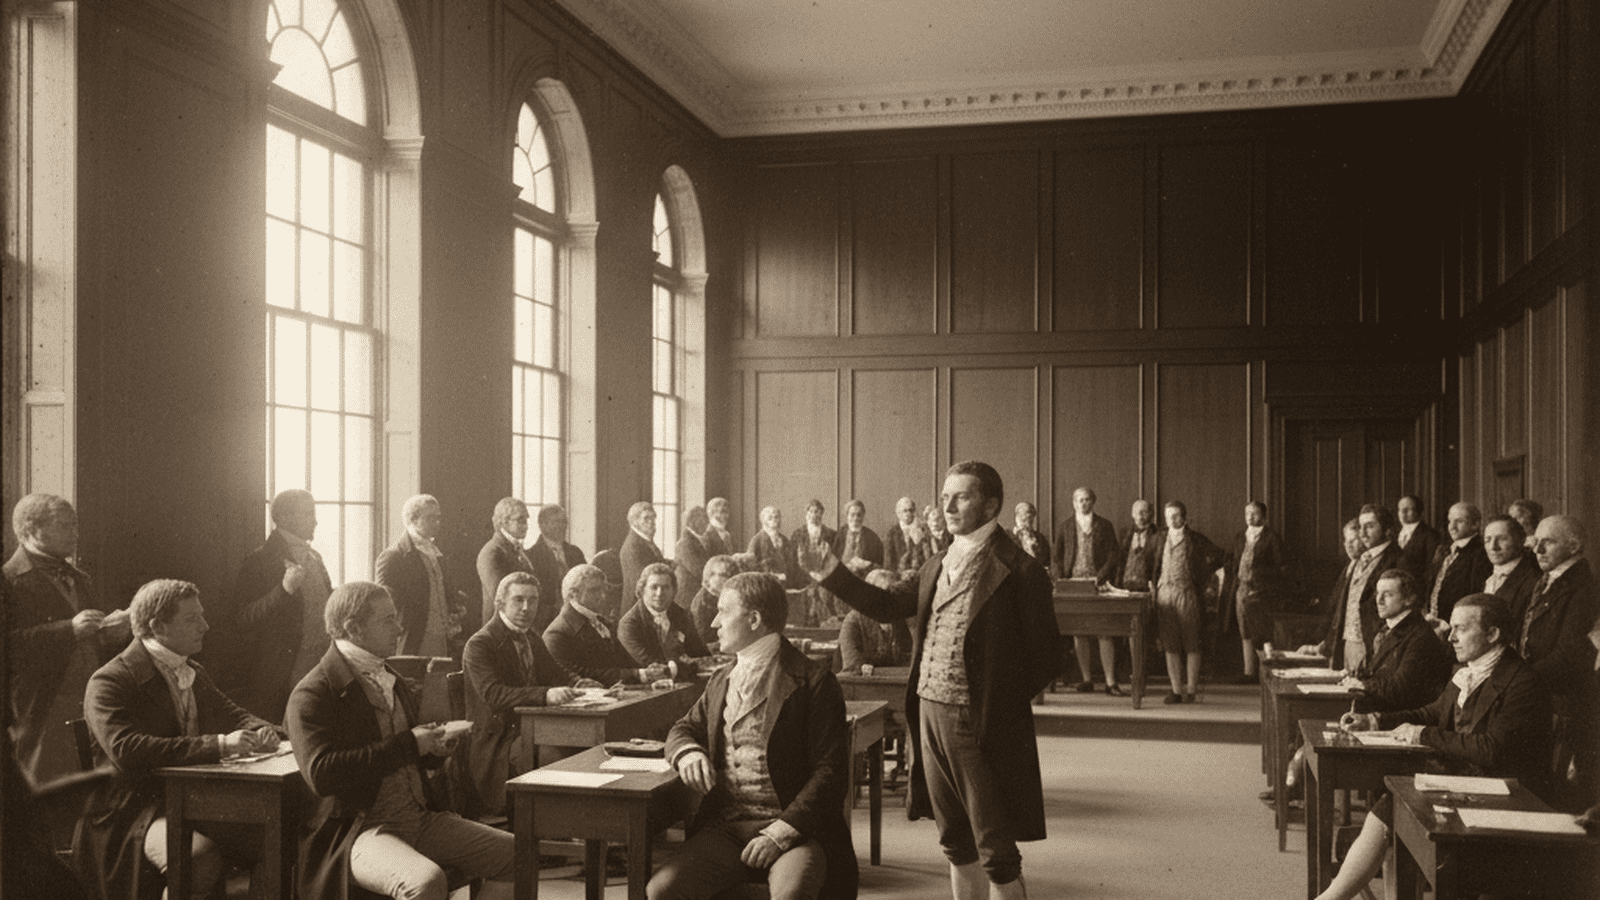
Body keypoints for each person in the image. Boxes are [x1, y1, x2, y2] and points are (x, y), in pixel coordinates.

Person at [800, 461, 1060, 900]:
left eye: (962, 496)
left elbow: (1049, 658)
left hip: (981, 721)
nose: (948, 504)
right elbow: (883, 606)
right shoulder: (937, 563)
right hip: (927, 711)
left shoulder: (1021, 570)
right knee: (956, 842)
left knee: (996, 849)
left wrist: (995, 700)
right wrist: (832, 574)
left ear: (991, 504)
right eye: (944, 496)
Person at [286, 582, 517, 900]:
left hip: (417, 818)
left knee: (515, 854)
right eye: (388, 620)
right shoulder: (313, 693)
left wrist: (433, 752)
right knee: (424, 882)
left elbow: (405, 756)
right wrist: (411, 744)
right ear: (354, 628)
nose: (399, 627)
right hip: (358, 831)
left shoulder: (388, 677)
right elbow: (322, 775)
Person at [1314, 594, 1551, 900]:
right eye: (1451, 628)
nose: (1450, 637)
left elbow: (1492, 749)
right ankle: (1332, 897)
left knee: (1399, 806)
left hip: (1505, 795)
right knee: (1391, 804)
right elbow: (1432, 713)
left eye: (1461, 629)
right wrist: (1375, 720)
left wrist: (1424, 735)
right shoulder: (1468, 672)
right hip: (1469, 781)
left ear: (1493, 634)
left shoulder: (1521, 681)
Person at [647, 572, 857, 900]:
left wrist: (780, 834)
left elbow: (830, 774)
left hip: (796, 829)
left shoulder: (815, 682)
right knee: (662, 891)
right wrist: (688, 751)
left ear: (755, 619)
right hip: (728, 827)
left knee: (792, 895)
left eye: (723, 612)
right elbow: (683, 728)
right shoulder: (722, 679)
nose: (715, 622)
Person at [80, 579, 279, 900]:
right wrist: (220, 745)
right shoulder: (109, 681)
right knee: (197, 856)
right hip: (131, 812)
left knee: (275, 839)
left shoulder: (192, 671)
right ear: (158, 626)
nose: (205, 626)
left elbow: (234, 714)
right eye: (192, 619)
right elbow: (127, 750)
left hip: (191, 801)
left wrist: (261, 731)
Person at [5, 493, 129, 789]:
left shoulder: (79, 578)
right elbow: (8, 646)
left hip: (86, 702)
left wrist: (109, 636)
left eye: (75, 525)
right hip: (42, 708)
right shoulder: (8, 581)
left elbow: (88, 642)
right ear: (30, 530)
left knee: (85, 792)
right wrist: (68, 629)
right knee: (47, 795)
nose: (75, 533)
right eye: (65, 526)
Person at [461, 572, 583, 816]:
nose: (527, 608)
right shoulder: (480, 644)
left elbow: (556, 674)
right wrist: (546, 695)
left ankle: (583, 835)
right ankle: (557, 833)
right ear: (499, 603)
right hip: (499, 742)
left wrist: (579, 684)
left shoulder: (531, 637)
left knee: (584, 749)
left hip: (532, 730)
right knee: (558, 755)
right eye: (518, 600)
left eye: (533, 600)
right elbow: (494, 695)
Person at [220, 488, 333, 724]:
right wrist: (283, 590)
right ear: (284, 518)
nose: (315, 521)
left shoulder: (315, 557)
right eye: (308, 514)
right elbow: (243, 618)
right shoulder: (259, 560)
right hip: (284, 671)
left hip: (322, 663)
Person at [1523, 515, 1599, 810]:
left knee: (1556, 796)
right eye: (1536, 541)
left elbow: (1571, 655)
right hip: (1542, 696)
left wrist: (1522, 681)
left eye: (1548, 542)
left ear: (1574, 546)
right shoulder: (1548, 580)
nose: (1538, 549)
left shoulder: (1583, 588)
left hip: (1563, 704)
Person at [1300, 505, 1406, 673]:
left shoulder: (1399, 559)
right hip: (1347, 643)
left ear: (1387, 529)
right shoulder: (1359, 560)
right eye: (1361, 526)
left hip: (1375, 646)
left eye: (1370, 526)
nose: (1362, 532)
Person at [1337, 569, 1453, 712]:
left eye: (1388, 595)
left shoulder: (1420, 637)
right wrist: (1352, 676)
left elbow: (1401, 689)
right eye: (1378, 594)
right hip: (1377, 709)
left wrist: (1362, 685)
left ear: (1409, 599)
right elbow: (1370, 671)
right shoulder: (1385, 630)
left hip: (1400, 719)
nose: (1379, 600)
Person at [542, 564, 670, 685]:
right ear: (573, 593)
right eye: (595, 590)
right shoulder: (556, 634)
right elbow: (578, 675)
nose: (603, 596)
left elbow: (624, 662)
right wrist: (639, 674)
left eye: (604, 590)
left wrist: (647, 669)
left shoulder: (604, 624)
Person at [1150, 500, 1224, 704]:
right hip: (1164, 593)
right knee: (1170, 643)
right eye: (1168, 516)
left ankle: (1191, 689)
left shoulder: (1195, 539)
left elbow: (1219, 556)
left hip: (1187, 594)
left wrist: (1200, 576)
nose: (1171, 520)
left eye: (1175, 516)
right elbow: (1150, 562)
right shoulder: (1159, 538)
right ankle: (1175, 690)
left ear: (1184, 517)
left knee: (1192, 641)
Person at [375, 494, 464, 658]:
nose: (437, 523)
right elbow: (385, 606)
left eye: (438, 518)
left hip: (443, 638)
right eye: (430, 518)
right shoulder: (393, 557)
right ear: (413, 520)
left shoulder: (436, 552)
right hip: (413, 639)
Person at [1054, 488, 1121, 695]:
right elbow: (1056, 557)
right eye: (1080, 500)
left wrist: (1101, 576)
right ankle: (1086, 679)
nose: (1083, 504)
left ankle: (1110, 682)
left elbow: (1113, 554)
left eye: (1087, 500)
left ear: (1093, 502)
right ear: (1074, 503)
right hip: (1073, 586)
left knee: (1104, 632)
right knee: (1079, 633)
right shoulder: (1065, 526)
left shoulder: (1104, 525)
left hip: (1098, 585)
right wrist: (1060, 579)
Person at [1220, 501, 1291, 684]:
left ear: (1264, 517)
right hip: (1241, 590)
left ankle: (1267, 673)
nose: (1250, 517)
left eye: (1255, 514)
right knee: (1245, 631)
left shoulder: (1272, 538)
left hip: (1262, 592)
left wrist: (1261, 575)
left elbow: (1282, 567)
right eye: (1247, 514)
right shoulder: (1240, 538)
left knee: (1262, 632)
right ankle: (1249, 672)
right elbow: (1231, 560)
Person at [619, 562, 710, 680]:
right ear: (642, 589)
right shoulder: (628, 625)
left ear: (674, 590)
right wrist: (693, 666)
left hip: (680, 683)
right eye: (654, 587)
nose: (659, 593)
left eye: (666, 587)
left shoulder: (681, 615)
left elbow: (700, 653)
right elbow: (655, 668)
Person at [1422, 502, 1491, 633]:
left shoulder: (1481, 554)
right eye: (1450, 521)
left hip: (1461, 626)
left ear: (1475, 524)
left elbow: (1476, 594)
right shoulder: (1443, 550)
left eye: (1459, 521)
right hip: (1435, 624)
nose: (1452, 527)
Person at [475, 497, 535, 629]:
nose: (526, 525)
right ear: (504, 522)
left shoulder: (517, 549)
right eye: (520, 520)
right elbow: (501, 596)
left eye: (526, 520)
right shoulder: (491, 552)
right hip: (500, 628)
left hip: (520, 624)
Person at [527, 504, 585, 636]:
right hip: (546, 623)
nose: (562, 526)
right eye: (556, 521)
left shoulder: (575, 553)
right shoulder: (531, 557)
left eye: (564, 521)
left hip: (578, 619)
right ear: (542, 525)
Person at [839, 570, 912, 675]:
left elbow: (911, 660)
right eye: (882, 594)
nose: (888, 600)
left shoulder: (903, 619)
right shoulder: (853, 620)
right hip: (862, 684)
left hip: (897, 683)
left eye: (892, 594)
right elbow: (852, 666)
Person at [1481, 514, 1541, 639]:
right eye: (1488, 540)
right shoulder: (1484, 576)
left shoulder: (1534, 580)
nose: (1493, 547)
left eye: (1502, 539)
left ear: (1521, 540)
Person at [690, 555, 741, 647]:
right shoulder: (702, 603)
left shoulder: (728, 595)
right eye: (723, 575)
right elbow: (705, 639)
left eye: (732, 573)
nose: (730, 578)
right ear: (709, 576)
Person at [620, 501, 665, 602]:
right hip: (637, 606)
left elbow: (657, 562)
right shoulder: (633, 546)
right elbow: (643, 582)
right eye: (646, 518)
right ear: (635, 521)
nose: (652, 521)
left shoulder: (646, 541)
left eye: (653, 517)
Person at [1113, 499, 1160, 592]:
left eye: (1144, 512)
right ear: (1132, 514)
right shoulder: (1125, 534)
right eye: (1136, 512)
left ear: (1151, 513)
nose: (1139, 516)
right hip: (1125, 587)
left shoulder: (1158, 534)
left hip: (1147, 588)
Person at [1395, 494, 1442, 581]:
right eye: (1400, 509)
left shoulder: (1430, 535)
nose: (1403, 512)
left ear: (1419, 512)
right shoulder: (1394, 534)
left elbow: (1431, 568)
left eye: (1408, 509)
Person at [674, 506, 712, 609]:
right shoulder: (685, 544)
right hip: (687, 597)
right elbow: (699, 570)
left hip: (695, 594)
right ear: (693, 521)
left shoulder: (698, 540)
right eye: (704, 519)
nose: (707, 523)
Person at [831, 500, 884, 572]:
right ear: (847, 516)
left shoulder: (872, 537)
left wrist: (867, 564)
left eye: (859, 515)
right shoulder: (839, 535)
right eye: (852, 515)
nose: (855, 518)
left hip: (864, 577)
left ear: (863, 516)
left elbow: (879, 565)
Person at [748, 506, 790, 585]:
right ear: (763, 520)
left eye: (776, 517)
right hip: (765, 584)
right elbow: (751, 566)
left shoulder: (784, 540)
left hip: (785, 583)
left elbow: (791, 562)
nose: (774, 520)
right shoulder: (757, 540)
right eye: (770, 517)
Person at [884, 497, 923, 573]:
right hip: (898, 575)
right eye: (905, 511)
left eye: (911, 510)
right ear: (898, 513)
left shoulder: (922, 531)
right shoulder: (892, 533)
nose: (908, 514)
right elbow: (888, 561)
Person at [1009, 502, 1050, 571]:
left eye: (1030, 518)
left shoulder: (1040, 538)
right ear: (1017, 517)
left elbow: (1047, 560)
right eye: (1023, 517)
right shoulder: (1008, 537)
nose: (1028, 520)